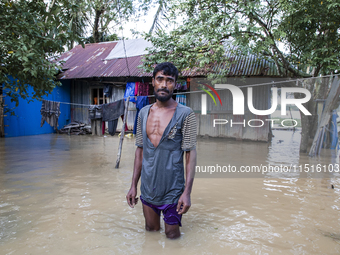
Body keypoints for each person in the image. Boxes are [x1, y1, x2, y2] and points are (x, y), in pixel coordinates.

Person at [126, 62, 197, 239]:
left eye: (169, 81)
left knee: (172, 235)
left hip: (173, 190)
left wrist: (186, 193)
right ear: (153, 81)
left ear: (176, 84)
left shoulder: (186, 114)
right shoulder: (143, 113)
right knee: (151, 231)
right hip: (148, 187)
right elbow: (140, 151)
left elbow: (190, 154)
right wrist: (133, 186)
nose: (164, 85)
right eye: (160, 79)